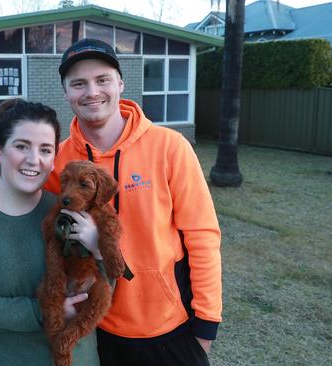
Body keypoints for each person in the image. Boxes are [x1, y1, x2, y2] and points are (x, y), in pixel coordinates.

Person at [44, 38, 222, 366]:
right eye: (79, 83)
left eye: (102, 80)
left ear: (120, 84)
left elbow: (202, 238)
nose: (92, 92)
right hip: (94, 330)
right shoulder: (58, 159)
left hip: (168, 328)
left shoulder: (170, 147)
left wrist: (205, 328)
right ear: (66, 92)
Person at [0, 98, 100, 365]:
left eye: (45, 150)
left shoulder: (65, 211)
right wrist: (43, 311)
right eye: (22, 146)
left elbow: (101, 285)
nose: (34, 160)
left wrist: (98, 247)